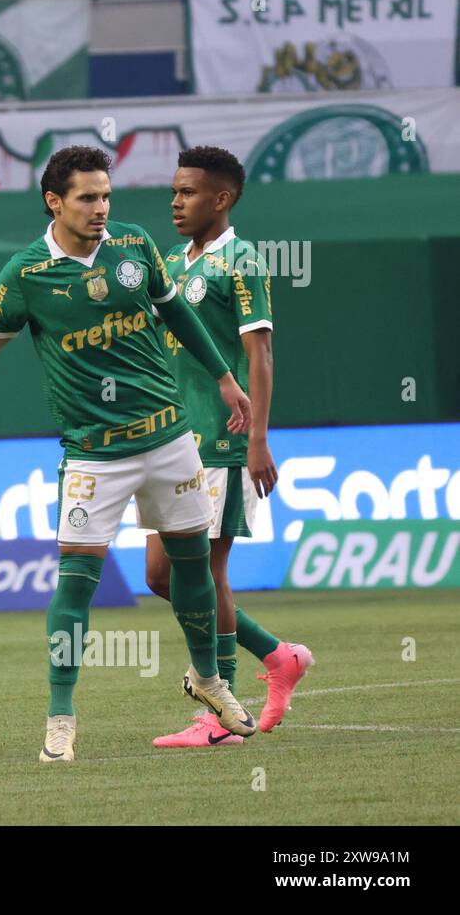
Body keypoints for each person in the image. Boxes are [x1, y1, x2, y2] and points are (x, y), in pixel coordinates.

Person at [0, 145, 256, 762]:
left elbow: (176, 312)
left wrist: (226, 377)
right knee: (75, 585)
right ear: (55, 202)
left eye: (106, 196)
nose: (101, 209)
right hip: (95, 455)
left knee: (192, 569)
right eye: (88, 198)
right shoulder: (25, 275)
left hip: (171, 438)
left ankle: (209, 679)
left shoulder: (134, 245)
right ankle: (61, 718)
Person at [147, 146, 313, 748]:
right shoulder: (170, 263)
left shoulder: (241, 261)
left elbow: (259, 354)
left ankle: (218, 719)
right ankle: (277, 655)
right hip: (168, 440)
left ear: (221, 198)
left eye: (187, 192)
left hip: (221, 439)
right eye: (173, 190)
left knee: (207, 570)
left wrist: (260, 439)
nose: (175, 201)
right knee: (162, 576)